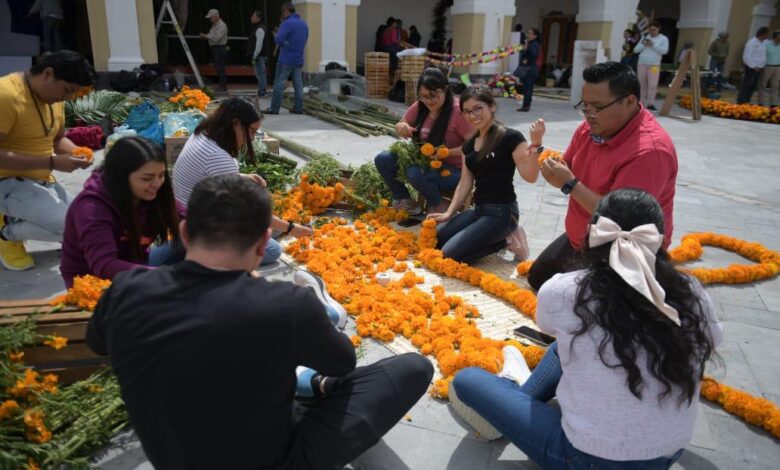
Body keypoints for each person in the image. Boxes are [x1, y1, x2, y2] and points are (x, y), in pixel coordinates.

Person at [86, 174, 434, 469]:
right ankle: (310, 378)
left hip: (174, 457)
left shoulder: (124, 290)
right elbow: (343, 362)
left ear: (184, 232)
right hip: (277, 460)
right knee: (412, 367)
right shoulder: (285, 305)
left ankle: (305, 382)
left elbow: (98, 343)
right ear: (264, 243)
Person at [450, 188, 722, 470]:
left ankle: (511, 394)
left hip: (586, 460)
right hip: (667, 453)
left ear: (593, 234)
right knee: (567, 346)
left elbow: (546, 325)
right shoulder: (691, 291)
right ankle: (515, 400)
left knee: (467, 379)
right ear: (661, 239)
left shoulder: (568, 290)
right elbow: (710, 342)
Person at [527, 62, 678, 291]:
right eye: (584, 105)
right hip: (582, 236)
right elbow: (566, 161)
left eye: (596, 106)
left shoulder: (649, 151)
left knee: (579, 306)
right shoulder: (591, 127)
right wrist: (547, 159)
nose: (588, 114)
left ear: (629, 101)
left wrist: (569, 183)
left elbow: (619, 220)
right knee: (539, 278)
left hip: (621, 250)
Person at [173, 97, 311, 265]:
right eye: (252, 131)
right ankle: (211, 254)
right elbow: (245, 211)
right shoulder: (218, 156)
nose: (252, 138)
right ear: (236, 123)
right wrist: (292, 228)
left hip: (185, 209)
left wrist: (242, 177)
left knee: (271, 226)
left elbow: (209, 174)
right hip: (200, 225)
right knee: (272, 250)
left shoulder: (202, 134)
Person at [0, 50, 95, 271]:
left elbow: (58, 139)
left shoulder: (53, 98)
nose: (68, 97)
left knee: (88, 221)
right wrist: (51, 163)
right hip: (6, 181)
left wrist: (76, 152)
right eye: (67, 90)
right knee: (67, 227)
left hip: (40, 180)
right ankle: (6, 232)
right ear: (47, 73)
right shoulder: (7, 95)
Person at [427, 85, 543, 263]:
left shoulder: (510, 137)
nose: (472, 116)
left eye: (477, 108)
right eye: (466, 112)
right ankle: (491, 236)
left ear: (492, 106)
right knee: (437, 240)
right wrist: (448, 213)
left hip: (503, 212)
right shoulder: (468, 145)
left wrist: (535, 144)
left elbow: (530, 176)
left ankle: (508, 240)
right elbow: (465, 183)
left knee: (449, 255)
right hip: (478, 210)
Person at [60, 137, 185, 287]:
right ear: (122, 177)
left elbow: (186, 217)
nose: (157, 183)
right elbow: (104, 265)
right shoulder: (91, 208)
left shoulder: (152, 193)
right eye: (147, 178)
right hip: (95, 283)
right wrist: (163, 275)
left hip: (137, 262)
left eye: (161, 175)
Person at [374, 68, 473, 215]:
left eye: (434, 96)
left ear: (446, 90)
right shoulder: (420, 106)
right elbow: (401, 124)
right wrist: (402, 128)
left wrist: (446, 152)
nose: (428, 101)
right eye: (423, 96)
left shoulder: (458, 111)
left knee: (414, 172)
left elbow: (475, 145)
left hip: (454, 170)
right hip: (425, 162)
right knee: (383, 159)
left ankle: (438, 205)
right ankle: (404, 199)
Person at [267, 2, 309, 115]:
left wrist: (279, 38)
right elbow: (304, 40)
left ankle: (274, 109)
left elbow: (279, 39)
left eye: (283, 12)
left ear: (286, 11)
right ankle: (298, 108)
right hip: (299, 59)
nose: (282, 15)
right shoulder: (304, 24)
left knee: (279, 83)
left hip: (286, 59)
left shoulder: (287, 23)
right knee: (298, 85)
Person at [633, 21, 669, 110]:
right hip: (642, 63)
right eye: (651, 29)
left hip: (654, 65)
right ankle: (640, 102)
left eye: (654, 29)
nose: (652, 31)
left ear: (658, 29)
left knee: (652, 84)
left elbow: (664, 51)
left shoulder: (663, 38)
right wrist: (643, 45)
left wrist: (653, 45)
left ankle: (650, 103)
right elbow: (635, 50)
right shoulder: (645, 37)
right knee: (641, 84)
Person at [737, 26, 769, 104]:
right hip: (752, 68)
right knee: (747, 84)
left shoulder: (765, 43)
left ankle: (747, 100)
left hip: (760, 68)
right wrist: (754, 66)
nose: (767, 35)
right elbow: (747, 56)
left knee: (753, 86)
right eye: (766, 34)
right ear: (762, 34)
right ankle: (741, 100)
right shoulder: (752, 42)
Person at [200, 9, 228, 92]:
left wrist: (206, 36)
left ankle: (223, 86)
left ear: (216, 16)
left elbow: (217, 38)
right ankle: (221, 84)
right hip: (215, 48)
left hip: (220, 48)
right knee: (218, 67)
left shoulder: (222, 25)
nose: (210, 19)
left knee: (220, 67)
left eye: (211, 17)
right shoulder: (214, 25)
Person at [516, 28, 541, 112]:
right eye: (528, 33)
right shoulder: (531, 44)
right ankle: (526, 105)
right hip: (530, 68)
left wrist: (526, 59)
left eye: (530, 34)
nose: (528, 35)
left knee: (528, 87)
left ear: (535, 36)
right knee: (527, 87)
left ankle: (526, 106)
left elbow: (533, 54)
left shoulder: (533, 44)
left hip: (530, 69)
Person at [247, 10, 269, 100]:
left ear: (258, 18)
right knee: (260, 74)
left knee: (261, 74)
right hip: (260, 56)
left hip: (260, 56)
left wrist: (254, 56)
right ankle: (261, 91)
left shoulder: (260, 29)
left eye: (253, 16)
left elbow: (259, 45)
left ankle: (262, 92)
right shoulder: (259, 28)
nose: (251, 17)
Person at [758, 30, 780, 107]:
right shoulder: (767, 45)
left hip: (777, 67)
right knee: (763, 85)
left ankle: (773, 103)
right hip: (767, 66)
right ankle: (761, 102)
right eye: (778, 38)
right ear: (774, 38)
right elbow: (762, 55)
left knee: (775, 86)